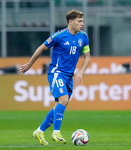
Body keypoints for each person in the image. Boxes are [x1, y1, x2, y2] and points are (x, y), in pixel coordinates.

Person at [20, 9, 91, 146]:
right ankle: (56, 132)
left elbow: (87, 57)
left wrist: (81, 71)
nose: (82, 23)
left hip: (69, 76)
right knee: (63, 99)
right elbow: (41, 48)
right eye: (79, 21)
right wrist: (30, 64)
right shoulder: (59, 36)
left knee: (60, 105)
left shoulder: (83, 37)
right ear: (71, 22)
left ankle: (40, 131)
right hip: (56, 73)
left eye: (82, 21)